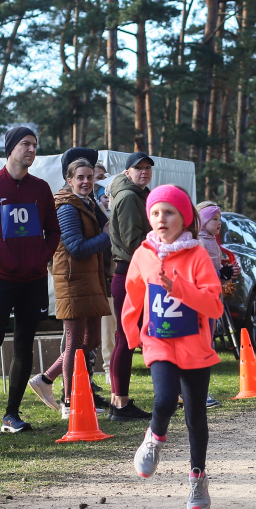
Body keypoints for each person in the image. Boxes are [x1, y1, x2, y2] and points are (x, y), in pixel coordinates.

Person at [121, 185, 223, 509]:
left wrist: (178, 288)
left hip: (195, 347)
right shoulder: (143, 255)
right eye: (154, 213)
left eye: (169, 212)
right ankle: (154, 438)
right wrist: (132, 336)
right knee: (164, 399)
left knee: (195, 415)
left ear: (185, 217)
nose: (161, 219)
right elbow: (132, 300)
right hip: (159, 342)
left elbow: (214, 306)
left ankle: (197, 479)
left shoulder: (198, 255)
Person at [0, 126, 61, 435]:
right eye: (25, 144)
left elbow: (54, 230)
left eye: (34, 144)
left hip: (32, 280)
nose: (31, 149)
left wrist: (41, 256)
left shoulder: (41, 187)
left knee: (24, 345)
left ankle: (11, 414)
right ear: (10, 148)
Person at [29, 159, 111, 416]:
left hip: (91, 279)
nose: (86, 182)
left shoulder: (88, 203)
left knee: (93, 340)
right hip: (72, 280)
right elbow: (75, 247)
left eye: (90, 177)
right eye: (81, 178)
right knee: (75, 341)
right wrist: (106, 237)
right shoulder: (66, 207)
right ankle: (69, 402)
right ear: (69, 180)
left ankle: (46, 378)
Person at [107, 152, 155, 421]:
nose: (144, 172)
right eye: (139, 168)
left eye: (148, 168)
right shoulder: (128, 198)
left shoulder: (139, 195)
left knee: (124, 339)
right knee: (125, 339)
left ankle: (119, 402)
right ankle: (121, 404)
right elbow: (131, 242)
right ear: (128, 172)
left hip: (133, 273)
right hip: (128, 275)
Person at [196, 202, 241, 409]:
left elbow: (214, 271)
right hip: (199, 302)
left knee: (208, 344)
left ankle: (200, 391)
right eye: (214, 218)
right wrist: (219, 274)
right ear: (203, 220)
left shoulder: (212, 241)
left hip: (212, 300)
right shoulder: (199, 242)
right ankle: (194, 393)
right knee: (200, 346)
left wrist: (227, 272)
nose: (219, 222)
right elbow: (197, 274)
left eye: (220, 218)